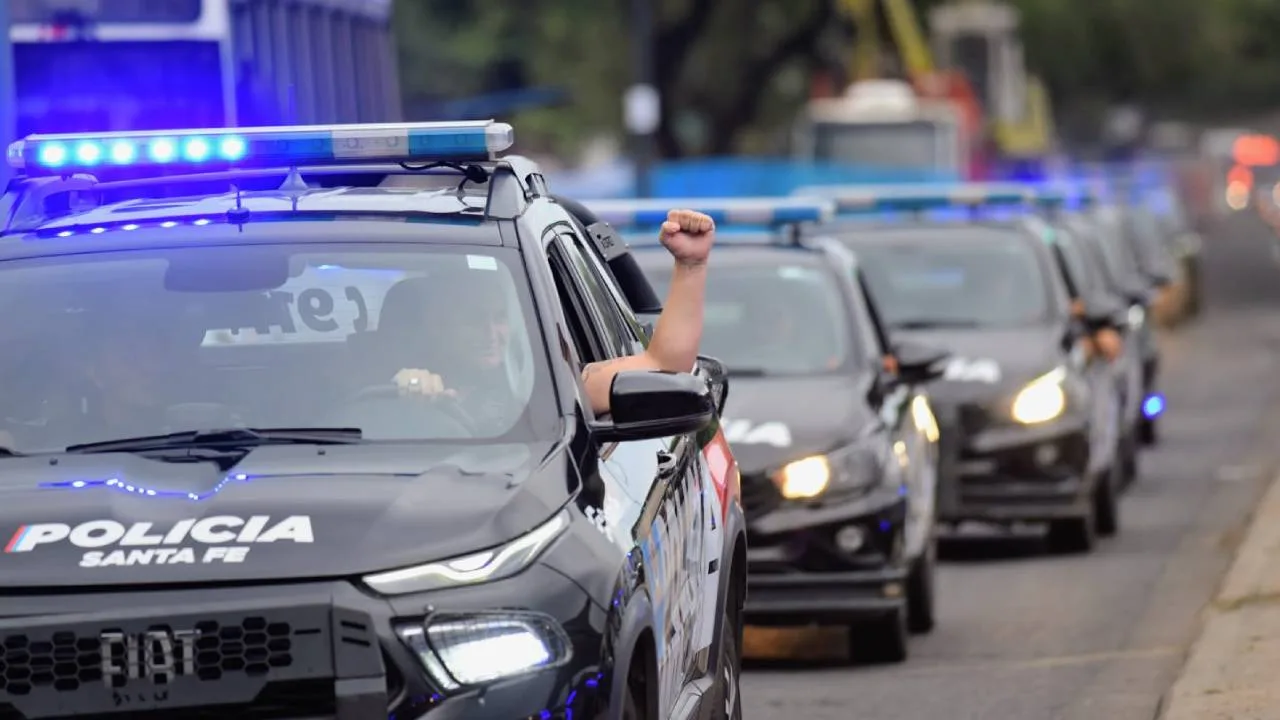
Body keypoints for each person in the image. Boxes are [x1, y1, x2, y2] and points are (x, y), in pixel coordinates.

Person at [393, 209, 716, 414]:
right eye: (473, 320)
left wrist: (690, 265)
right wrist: (405, 392)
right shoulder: (394, 389)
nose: (491, 333)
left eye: (501, 318)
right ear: (436, 325)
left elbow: (663, 366)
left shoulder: (546, 388)